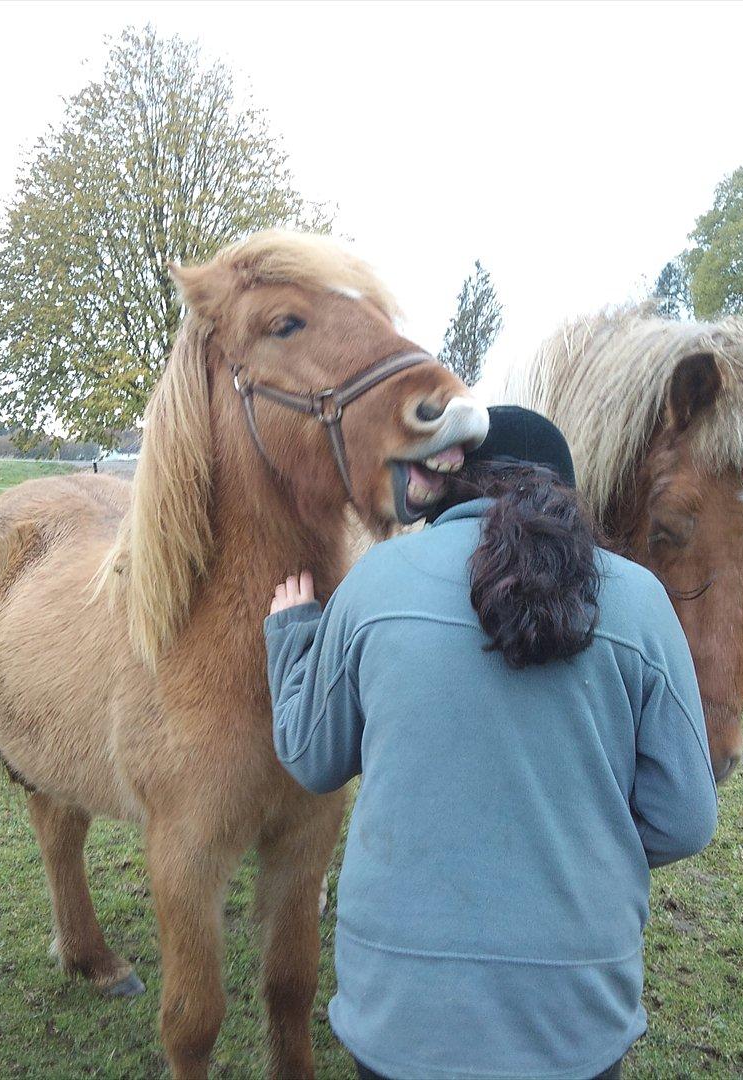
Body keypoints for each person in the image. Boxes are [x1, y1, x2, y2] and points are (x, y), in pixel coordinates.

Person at [264, 406, 718, 1080]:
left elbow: (312, 757)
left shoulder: (374, 583)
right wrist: (585, 843)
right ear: (565, 491)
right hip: (573, 1016)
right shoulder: (641, 601)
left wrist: (293, 634)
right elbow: (684, 819)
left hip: (399, 1011)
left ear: (449, 482)